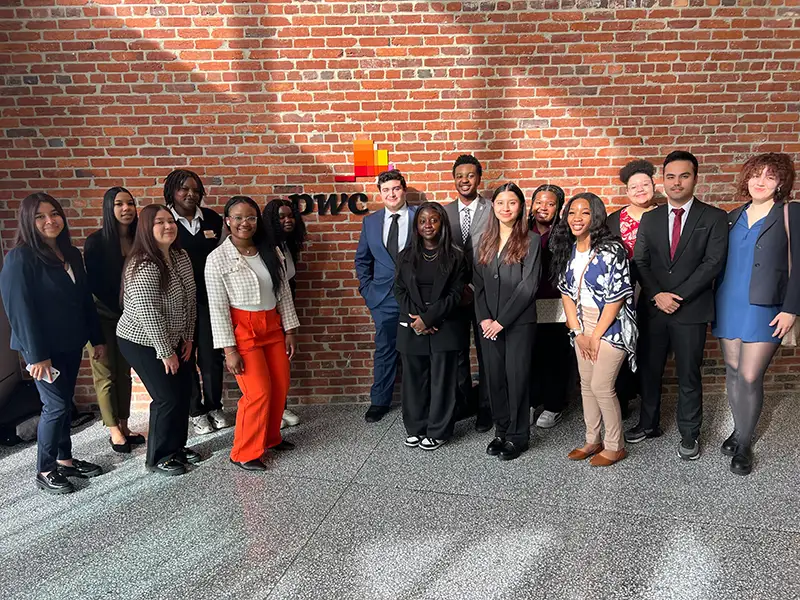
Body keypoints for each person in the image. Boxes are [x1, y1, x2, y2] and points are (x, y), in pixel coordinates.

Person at [0, 193, 105, 494]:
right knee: (56, 407)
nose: (50, 220)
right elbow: (19, 311)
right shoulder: (19, 258)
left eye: (55, 213)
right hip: (41, 349)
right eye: (40, 216)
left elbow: (85, 300)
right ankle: (45, 469)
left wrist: (96, 338)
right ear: (28, 222)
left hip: (70, 343)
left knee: (64, 403)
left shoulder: (70, 254)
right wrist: (37, 356)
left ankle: (66, 460)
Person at [629, 151, 729, 460]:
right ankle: (649, 424)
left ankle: (689, 433)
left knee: (688, 374)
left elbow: (712, 264)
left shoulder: (713, 217)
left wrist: (678, 296)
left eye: (684, 176)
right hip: (655, 308)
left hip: (692, 310)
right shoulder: (651, 217)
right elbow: (641, 261)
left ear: (695, 179)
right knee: (649, 370)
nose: (676, 182)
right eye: (670, 176)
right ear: (663, 181)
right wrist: (658, 294)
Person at [713, 153, 798, 475]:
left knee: (750, 376)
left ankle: (745, 443)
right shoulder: (732, 216)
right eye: (755, 175)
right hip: (728, 302)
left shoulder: (791, 213)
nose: (760, 182)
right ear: (746, 179)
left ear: (781, 183)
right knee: (733, 372)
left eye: (770, 176)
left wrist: (791, 308)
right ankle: (739, 429)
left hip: (767, 307)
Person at [205, 196, 300, 471]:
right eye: (237, 217)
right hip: (242, 330)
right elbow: (218, 308)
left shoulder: (270, 250)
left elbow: (283, 293)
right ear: (227, 221)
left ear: (257, 221)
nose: (244, 223)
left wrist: (290, 330)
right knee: (257, 392)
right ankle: (243, 452)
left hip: (272, 325)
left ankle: (270, 438)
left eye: (250, 217)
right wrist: (229, 351)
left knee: (279, 386)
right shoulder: (217, 258)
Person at [551, 193, 638, 467]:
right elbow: (565, 292)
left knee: (602, 385)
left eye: (585, 212)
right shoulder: (568, 249)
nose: (577, 218)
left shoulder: (613, 250)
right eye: (572, 212)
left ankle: (616, 446)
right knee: (586, 386)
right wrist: (578, 332)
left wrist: (595, 336)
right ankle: (593, 440)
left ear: (596, 216)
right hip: (581, 323)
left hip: (611, 325)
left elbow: (617, 297)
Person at [116, 204, 200, 476]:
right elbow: (147, 312)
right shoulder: (143, 263)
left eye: (171, 221)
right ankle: (159, 456)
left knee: (183, 391)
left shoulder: (181, 256)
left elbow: (190, 299)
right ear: (146, 229)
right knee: (166, 397)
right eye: (159, 222)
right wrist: (166, 352)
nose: (168, 226)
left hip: (175, 336)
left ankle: (177, 446)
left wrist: (188, 338)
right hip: (141, 340)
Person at [473, 183, 541, 461]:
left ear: (520, 207)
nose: (505, 208)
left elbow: (529, 286)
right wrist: (485, 318)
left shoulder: (531, 240)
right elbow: (477, 284)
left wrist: (501, 321)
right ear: (494, 207)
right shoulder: (483, 239)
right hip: (489, 324)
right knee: (495, 378)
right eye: (500, 203)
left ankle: (518, 436)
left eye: (511, 203)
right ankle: (501, 431)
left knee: (516, 379)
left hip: (518, 324)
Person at [395, 202, 468, 450]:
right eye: (423, 220)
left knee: (443, 381)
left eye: (434, 220)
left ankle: (438, 430)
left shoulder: (457, 256)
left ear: (442, 224)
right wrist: (418, 320)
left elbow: (456, 294)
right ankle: (416, 427)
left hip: (445, 325)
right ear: (416, 226)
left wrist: (430, 318)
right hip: (412, 324)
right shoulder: (405, 256)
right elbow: (399, 290)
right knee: (414, 380)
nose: (428, 225)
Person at [164, 169, 231, 435]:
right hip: (178, 304)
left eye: (195, 189)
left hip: (209, 299)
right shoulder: (166, 221)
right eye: (184, 189)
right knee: (185, 356)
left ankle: (215, 406)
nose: (190, 194)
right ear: (172, 191)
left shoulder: (212, 219)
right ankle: (196, 410)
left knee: (212, 356)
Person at [84, 187, 144, 453]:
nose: (126, 208)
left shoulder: (140, 239)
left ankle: (125, 424)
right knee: (105, 374)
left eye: (130, 203)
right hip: (103, 315)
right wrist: (122, 309)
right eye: (119, 204)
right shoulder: (96, 241)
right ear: (109, 208)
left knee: (125, 373)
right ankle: (113, 430)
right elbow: (95, 285)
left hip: (131, 316)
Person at [354, 169, 417, 423]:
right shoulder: (370, 221)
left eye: (396, 189)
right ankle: (379, 401)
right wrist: (367, 291)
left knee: (418, 349)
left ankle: (419, 401)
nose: (391, 194)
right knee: (385, 349)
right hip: (382, 298)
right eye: (386, 190)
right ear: (380, 194)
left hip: (415, 297)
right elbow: (362, 260)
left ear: (404, 189)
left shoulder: (420, 217)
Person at [443, 155, 492, 431]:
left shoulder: (493, 209)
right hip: (455, 295)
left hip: (485, 293)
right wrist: (457, 288)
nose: (465, 180)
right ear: (454, 178)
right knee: (458, 352)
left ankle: (486, 407)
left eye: (470, 175)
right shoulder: (444, 212)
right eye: (460, 175)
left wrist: (476, 286)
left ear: (478, 178)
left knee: (486, 352)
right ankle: (463, 402)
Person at [606, 160, 659, 417]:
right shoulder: (614, 220)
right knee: (622, 343)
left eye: (645, 185)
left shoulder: (665, 216)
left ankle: (649, 407)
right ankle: (623, 398)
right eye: (634, 186)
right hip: (622, 295)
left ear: (654, 186)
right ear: (627, 191)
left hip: (654, 294)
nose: (640, 190)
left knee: (649, 349)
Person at [527, 184, 575, 429]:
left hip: (557, 304)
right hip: (527, 304)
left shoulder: (567, 234)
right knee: (531, 353)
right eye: (538, 202)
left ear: (559, 208)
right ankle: (532, 400)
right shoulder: (523, 230)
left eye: (550, 203)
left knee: (555, 355)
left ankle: (555, 405)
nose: (542, 208)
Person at [263, 198, 307, 429]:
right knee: (269, 363)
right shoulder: (266, 247)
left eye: (290, 216)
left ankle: (280, 406)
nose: (288, 220)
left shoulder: (287, 244)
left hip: (284, 311)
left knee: (281, 361)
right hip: (268, 313)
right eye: (281, 217)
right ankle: (270, 411)